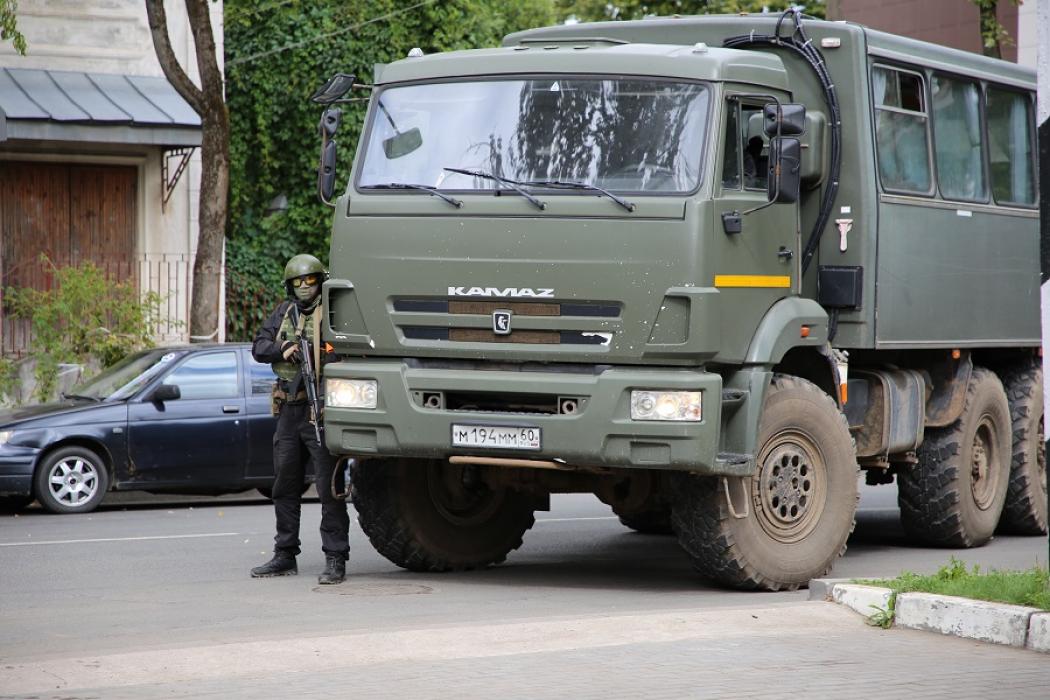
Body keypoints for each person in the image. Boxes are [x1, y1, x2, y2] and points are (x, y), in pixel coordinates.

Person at [250, 254, 350, 584]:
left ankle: (335, 557)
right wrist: (285, 349)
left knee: (329, 489)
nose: (305, 287)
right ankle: (285, 555)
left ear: (320, 280)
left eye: (310, 281)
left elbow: (348, 351)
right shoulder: (284, 312)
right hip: (290, 412)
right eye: (298, 282)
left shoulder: (333, 312)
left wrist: (324, 352)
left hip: (320, 409)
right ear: (290, 286)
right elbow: (259, 346)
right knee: (284, 486)